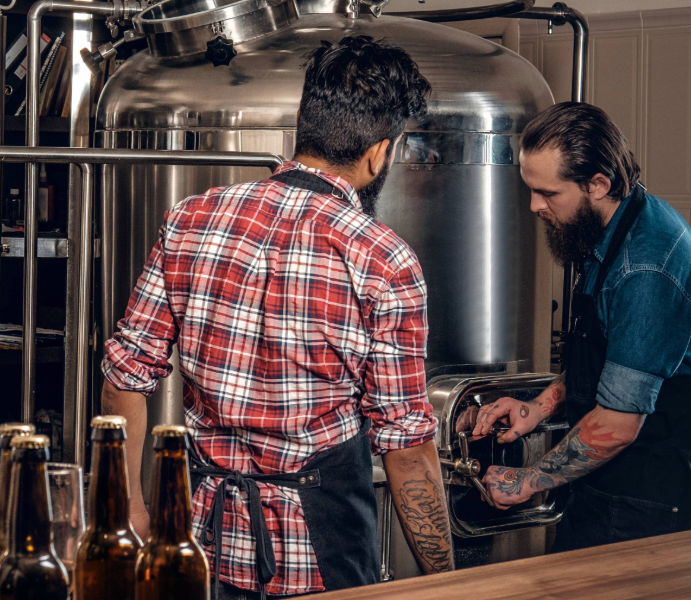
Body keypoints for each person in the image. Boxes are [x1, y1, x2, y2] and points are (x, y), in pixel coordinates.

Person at [99, 36, 455, 599]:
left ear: (301, 120)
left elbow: (125, 376)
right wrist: (449, 583)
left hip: (198, 540)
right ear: (379, 152)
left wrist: (130, 509)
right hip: (318, 556)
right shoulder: (383, 260)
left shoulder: (191, 219)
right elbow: (405, 447)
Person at [475, 102, 691, 551]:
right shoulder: (619, 222)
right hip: (614, 482)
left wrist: (528, 480)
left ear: (598, 184)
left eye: (549, 193)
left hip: (651, 496)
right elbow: (611, 360)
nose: (535, 206)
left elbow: (615, 425)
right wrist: (537, 408)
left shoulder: (645, 271)